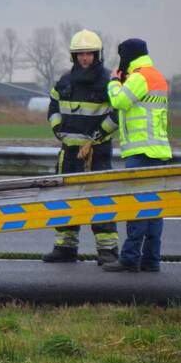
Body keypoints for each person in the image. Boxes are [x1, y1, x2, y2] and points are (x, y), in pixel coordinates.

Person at [42, 30, 120, 265]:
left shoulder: (108, 81)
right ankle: (65, 247)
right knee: (65, 199)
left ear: (97, 55)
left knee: (101, 200)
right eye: (80, 54)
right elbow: (53, 107)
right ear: (73, 57)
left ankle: (107, 250)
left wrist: (96, 136)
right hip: (69, 152)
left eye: (89, 54)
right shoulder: (64, 81)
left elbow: (117, 115)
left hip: (96, 151)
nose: (85, 58)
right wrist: (58, 130)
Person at [102, 39, 172, 273]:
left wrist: (113, 82)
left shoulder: (140, 77)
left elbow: (120, 101)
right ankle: (151, 260)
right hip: (158, 150)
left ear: (128, 56)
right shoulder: (158, 77)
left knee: (136, 208)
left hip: (140, 153)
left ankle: (130, 258)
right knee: (155, 210)